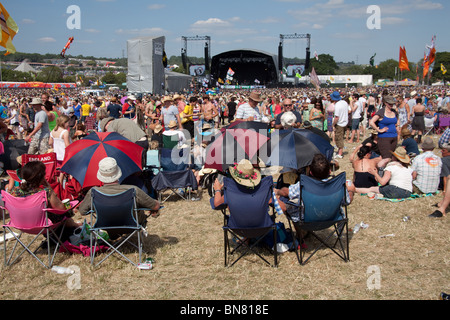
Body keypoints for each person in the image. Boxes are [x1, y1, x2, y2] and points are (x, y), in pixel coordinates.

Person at [76, 157, 160, 236]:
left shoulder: (93, 192)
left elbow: (82, 211)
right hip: (132, 225)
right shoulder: (133, 190)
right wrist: (154, 205)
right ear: (118, 172)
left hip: (105, 226)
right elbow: (155, 206)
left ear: (101, 175)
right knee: (140, 210)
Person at [9, 161, 81, 228]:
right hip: (41, 225)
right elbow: (61, 209)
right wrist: (49, 187)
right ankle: (75, 225)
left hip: (20, 224)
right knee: (64, 213)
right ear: (41, 177)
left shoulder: (15, 191)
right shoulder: (45, 193)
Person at [212, 158, 285, 214]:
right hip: (261, 227)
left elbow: (217, 204)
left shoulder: (231, 191)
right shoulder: (264, 191)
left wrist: (218, 190)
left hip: (237, 227)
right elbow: (283, 208)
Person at [369, 95, 399, 168]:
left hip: (394, 137)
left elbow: (397, 121)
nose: (391, 105)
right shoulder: (381, 112)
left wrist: (397, 127)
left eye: (392, 103)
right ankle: (375, 170)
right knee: (386, 158)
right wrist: (379, 130)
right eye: (390, 104)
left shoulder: (394, 111)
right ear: (385, 103)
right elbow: (371, 122)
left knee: (391, 157)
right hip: (384, 137)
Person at [331, 91, 348, 159]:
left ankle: (340, 153)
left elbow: (336, 117)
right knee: (341, 137)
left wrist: (333, 124)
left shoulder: (337, 105)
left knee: (339, 138)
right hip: (345, 122)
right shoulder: (344, 102)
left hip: (340, 123)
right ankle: (339, 151)